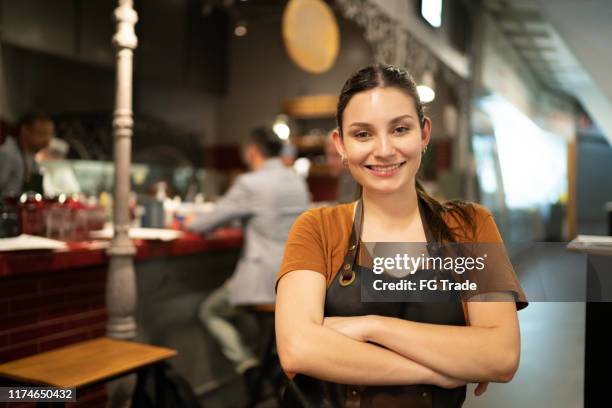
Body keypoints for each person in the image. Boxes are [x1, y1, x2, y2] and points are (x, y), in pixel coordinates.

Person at [275, 64, 528, 407]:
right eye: (363, 134)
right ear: (341, 144)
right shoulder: (317, 228)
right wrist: (437, 372)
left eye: (399, 129)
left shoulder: (468, 226)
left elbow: (501, 354)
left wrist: (372, 327)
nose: (383, 150)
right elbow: (297, 349)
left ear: (424, 134)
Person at [186, 127, 310, 381]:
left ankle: (247, 366)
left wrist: (189, 220)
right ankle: (273, 362)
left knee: (210, 311)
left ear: (252, 151)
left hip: (262, 281)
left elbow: (203, 224)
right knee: (270, 331)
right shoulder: (296, 181)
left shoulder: (250, 183)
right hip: (295, 278)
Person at [0, 112, 54, 198]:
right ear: (25, 130)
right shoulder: (8, 153)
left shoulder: (31, 156)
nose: (46, 140)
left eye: (49, 135)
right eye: (41, 133)